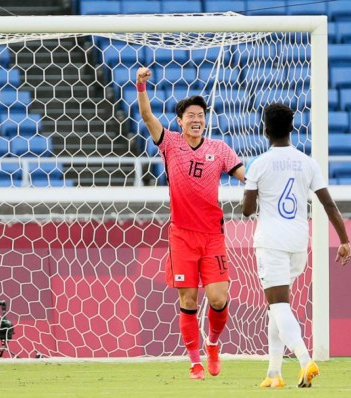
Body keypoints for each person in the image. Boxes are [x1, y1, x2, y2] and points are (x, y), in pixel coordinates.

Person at [136, 67, 246, 380]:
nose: (197, 119)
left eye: (201, 115)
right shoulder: (169, 143)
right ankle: (195, 361)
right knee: (188, 299)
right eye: (191, 115)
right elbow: (146, 116)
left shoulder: (220, 149)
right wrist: (141, 85)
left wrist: (259, 183)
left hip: (213, 236)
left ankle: (213, 344)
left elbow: (243, 176)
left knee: (218, 298)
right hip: (181, 236)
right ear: (180, 121)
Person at [242, 103, 351, 388]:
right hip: (298, 243)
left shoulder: (260, 164)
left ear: (265, 130)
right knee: (276, 308)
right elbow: (329, 204)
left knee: (278, 306)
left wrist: (254, 193)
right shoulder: (307, 162)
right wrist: (344, 240)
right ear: (292, 129)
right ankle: (274, 373)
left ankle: (305, 361)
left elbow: (246, 209)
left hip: (272, 243)